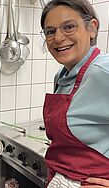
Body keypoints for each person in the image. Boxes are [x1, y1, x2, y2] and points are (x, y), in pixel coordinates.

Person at [40, 0, 109, 187]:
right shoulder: (61, 76)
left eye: (69, 27)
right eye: (50, 31)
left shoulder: (103, 71)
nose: (58, 37)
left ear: (92, 28)